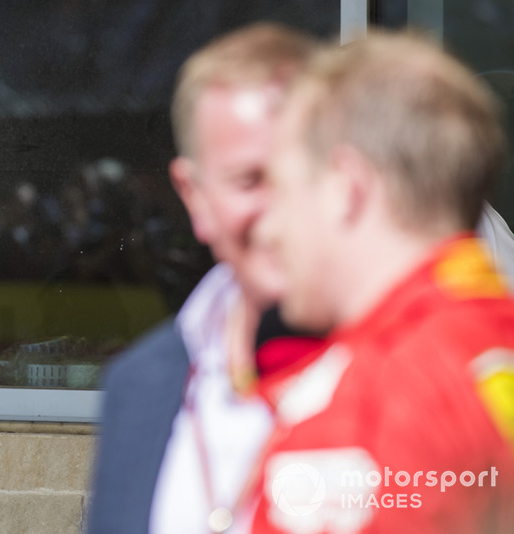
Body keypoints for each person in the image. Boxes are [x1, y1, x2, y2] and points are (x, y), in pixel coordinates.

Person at [252, 31, 514, 532]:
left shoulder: (357, 412)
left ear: (347, 188)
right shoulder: (491, 333)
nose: (267, 228)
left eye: (283, 188)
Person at [87, 24, 323, 534]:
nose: (280, 212)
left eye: (304, 171)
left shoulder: (427, 367)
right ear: (194, 196)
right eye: (249, 180)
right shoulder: (140, 386)